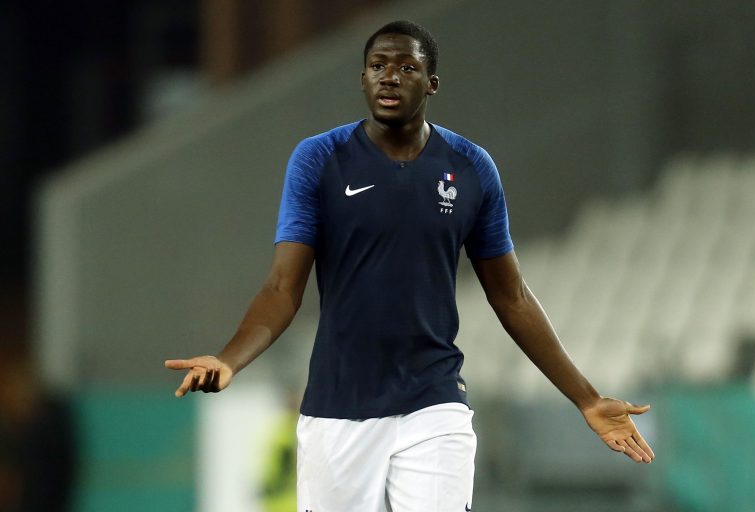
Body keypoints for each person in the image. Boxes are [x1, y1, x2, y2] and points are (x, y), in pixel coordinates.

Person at [165, 19, 654, 511]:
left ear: (432, 82)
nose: (389, 77)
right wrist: (229, 359)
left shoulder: (471, 168)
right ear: (362, 79)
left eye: (406, 67)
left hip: (434, 403)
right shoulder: (320, 159)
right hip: (337, 409)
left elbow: (512, 296)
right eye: (377, 66)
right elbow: (280, 288)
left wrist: (586, 398)